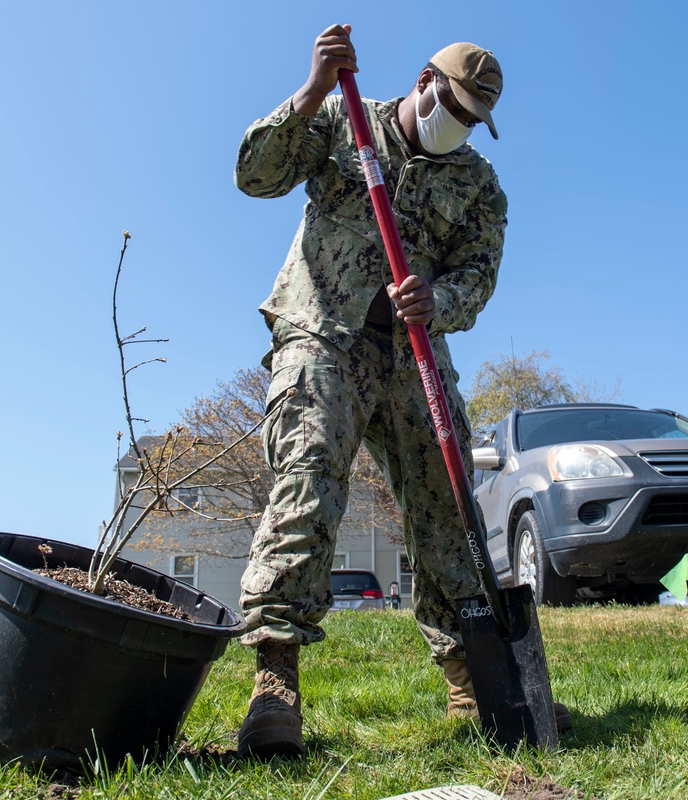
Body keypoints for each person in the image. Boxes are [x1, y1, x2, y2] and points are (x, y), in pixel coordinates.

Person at [233, 23, 567, 758]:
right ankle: (275, 681)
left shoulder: (479, 185)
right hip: (325, 332)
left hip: (415, 354)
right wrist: (314, 88)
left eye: (476, 122)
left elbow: (477, 278)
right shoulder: (345, 121)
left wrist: (437, 303)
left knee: (447, 509)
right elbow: (254, 174)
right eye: (455, 109)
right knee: (311, 473)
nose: (462, 128)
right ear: (424, 83)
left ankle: (473, 676)